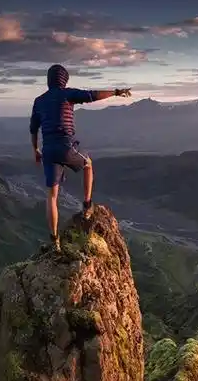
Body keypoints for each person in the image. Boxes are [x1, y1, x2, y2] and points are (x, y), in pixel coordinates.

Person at [29, 64, 131, 251]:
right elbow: (92, 95)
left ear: (49, 79)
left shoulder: (39, 101)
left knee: (52, 195)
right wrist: (116, 92)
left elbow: (33, 128)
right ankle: (87, 205)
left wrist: (36, 149)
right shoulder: (67, 94)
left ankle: (54, 240)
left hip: (48, 150)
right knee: (88, 164)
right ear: (63, 79)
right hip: (65, 146)